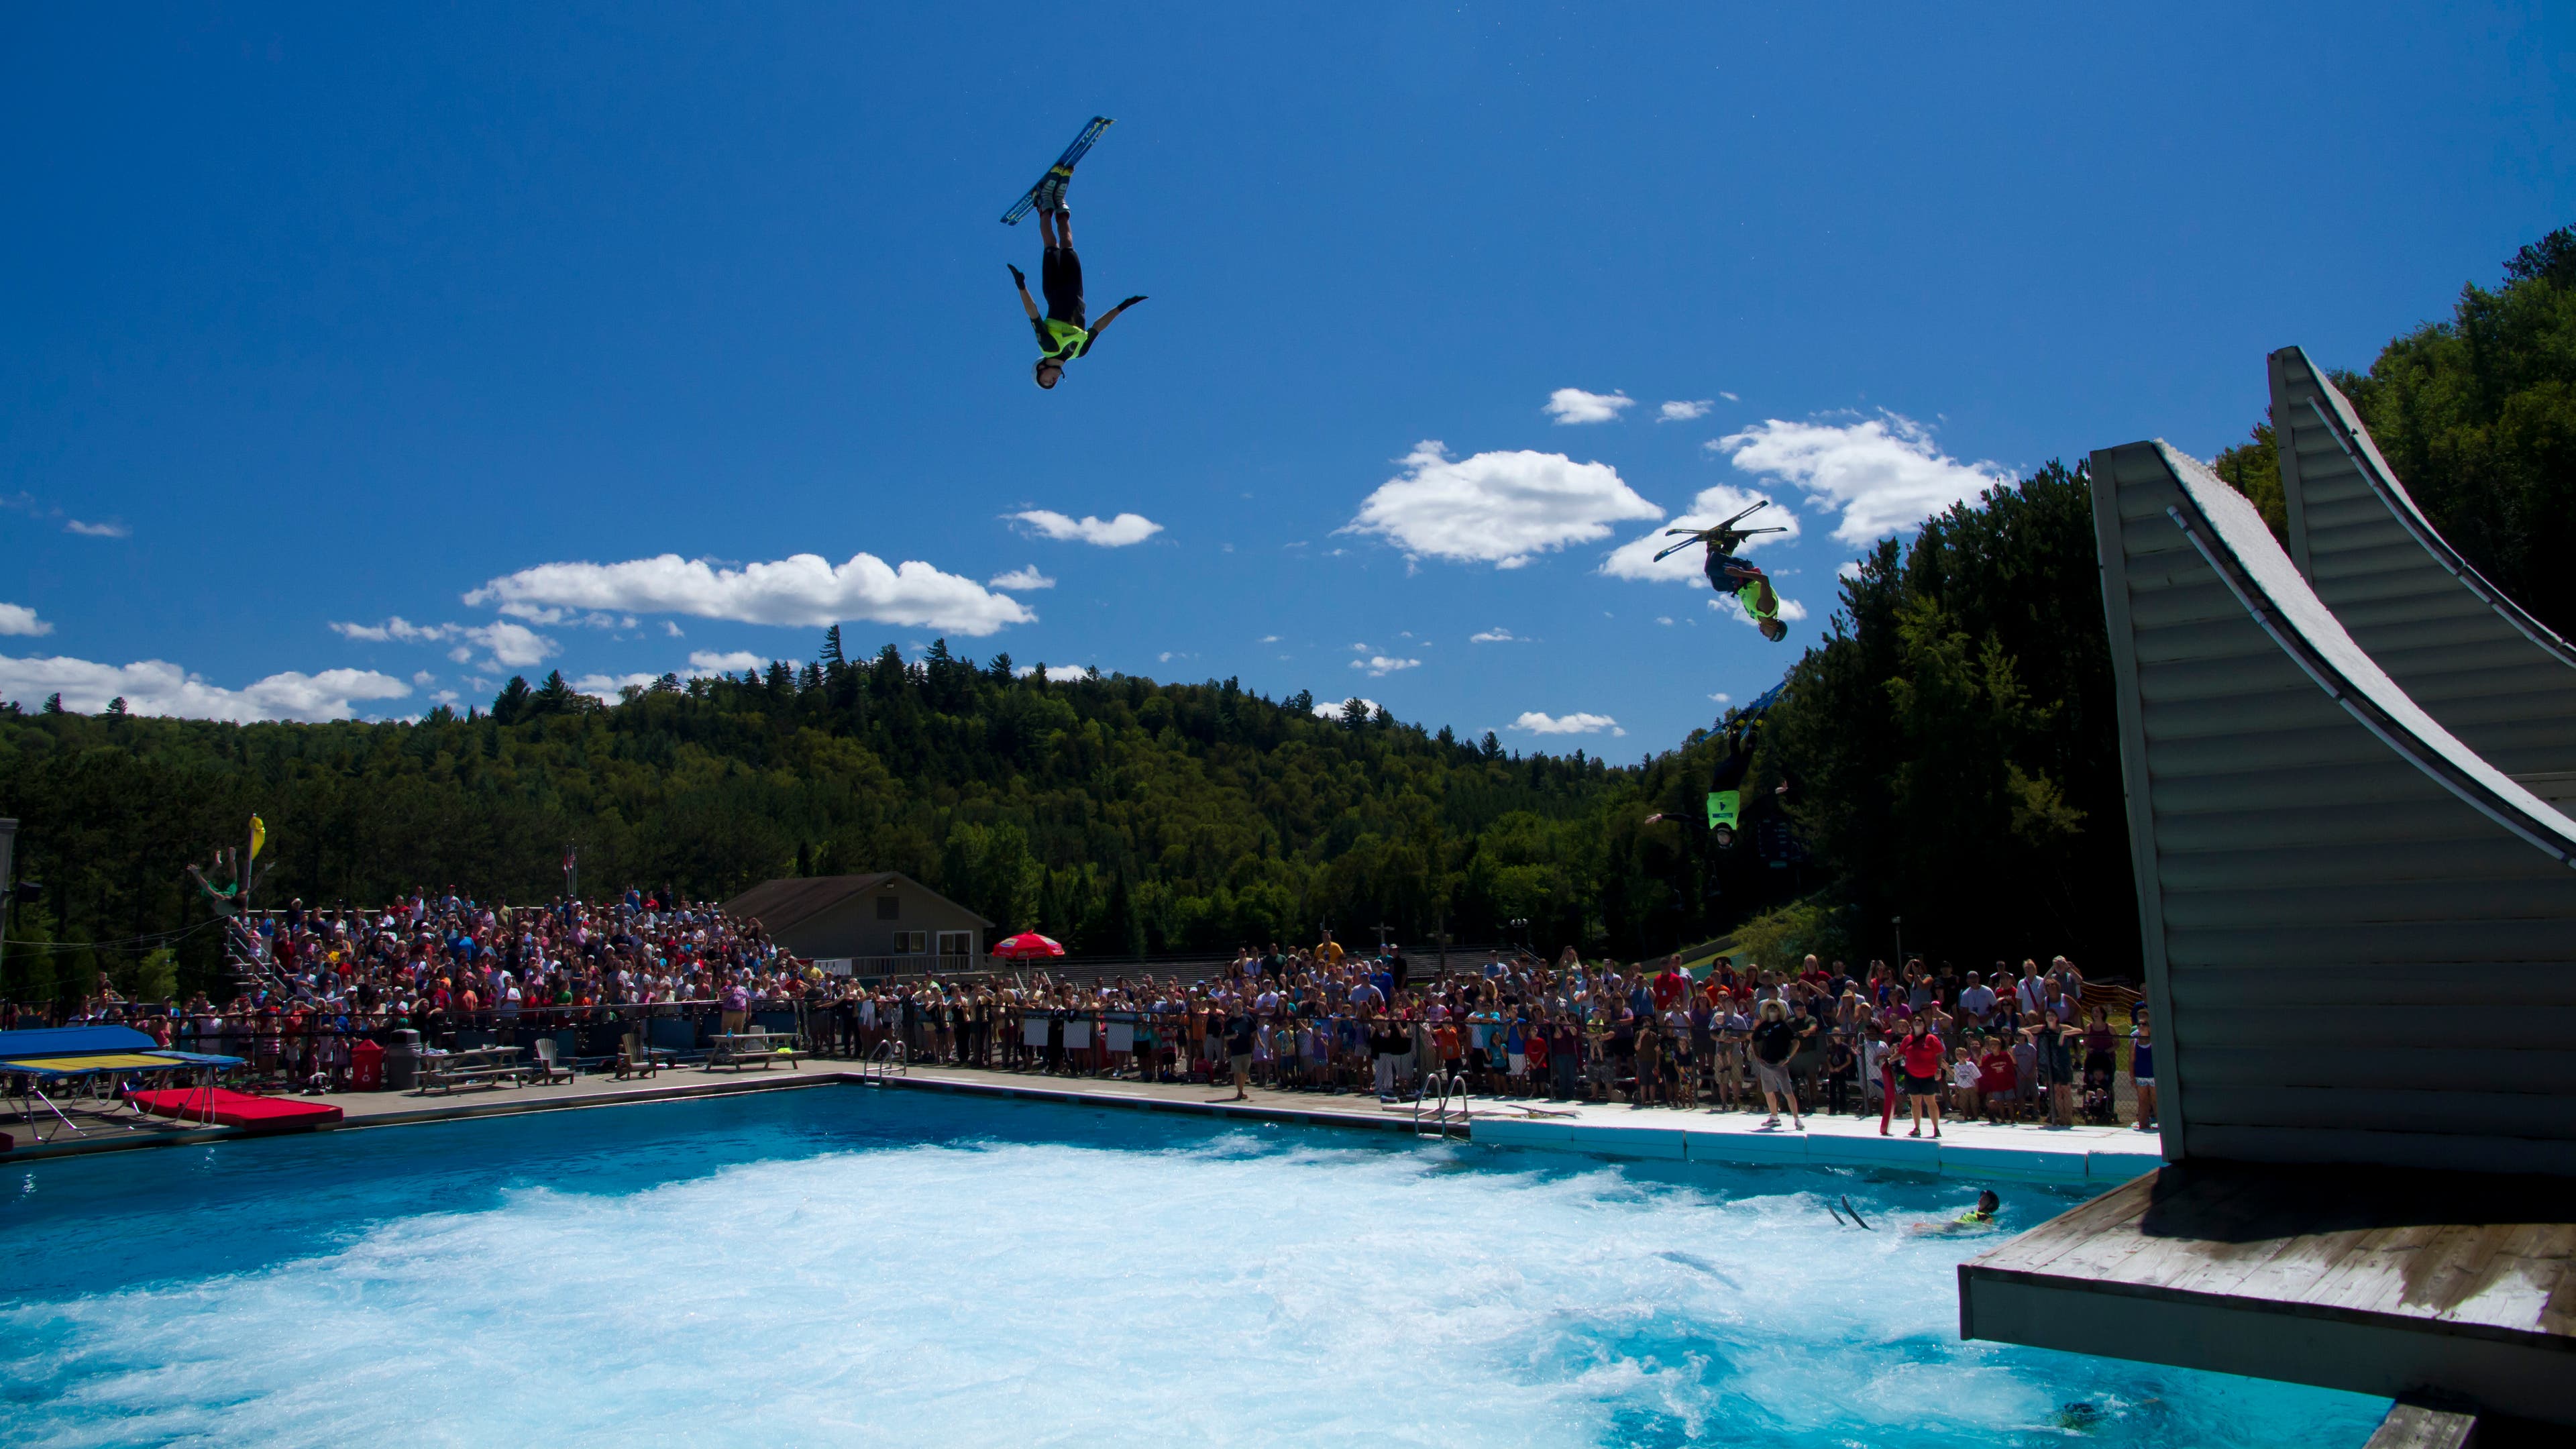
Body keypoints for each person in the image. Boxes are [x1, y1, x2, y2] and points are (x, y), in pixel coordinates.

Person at [1007, 195, 1145, 390]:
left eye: (1045, 380)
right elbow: (1098, 326)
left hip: (1053, 287)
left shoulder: (1048, 347)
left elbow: (1033, 314)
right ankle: (1061, 208)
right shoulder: (1079, 352)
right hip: (1075, 288)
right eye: (1051, 385)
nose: (1051, 382)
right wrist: (1123, 306)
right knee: (1068, 243)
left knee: (1051, 244)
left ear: (1041, 368)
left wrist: (1022, 287)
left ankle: (1044, 205)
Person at [1749, 998, 1815, 1129]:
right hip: (1766, 1063)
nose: (1772, 1009)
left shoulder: (1783, 1026)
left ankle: (1797, 1120)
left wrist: (1788, 1057)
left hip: (1780, 1064)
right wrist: (1757, 1056)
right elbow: (1753, 1040)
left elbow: (1796, 1042)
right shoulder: (1763, 1026)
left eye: (1775, 1007)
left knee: (1788, 1092)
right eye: (1770, 1007)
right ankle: (1774, 1117)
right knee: (1768, 1091)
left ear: (1779, 1011)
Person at [1897, 1014, 1946, 1138]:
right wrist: (1889, 1060)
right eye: (1915, 1021)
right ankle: (1917, 1128)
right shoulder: (1908, 1039)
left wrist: (1939, 1069)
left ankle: (1936, 1128)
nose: (1917, 1022)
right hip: (1912, 1075)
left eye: (1920, 1020)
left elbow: (1939, 1053)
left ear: (1924, 1024)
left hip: (1928, 1075)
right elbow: (1901, 1053)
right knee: (1915, 1102)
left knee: (1931, 1102)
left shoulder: (1931, 1038)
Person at [2130, 1008, 2157, 1132]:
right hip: (2141, 1075)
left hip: (2153, 1075)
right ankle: (2143, 1124)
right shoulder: (2135, 1041)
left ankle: (2161, 1125)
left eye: (2144, 1024)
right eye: (2139, 1024)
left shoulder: (2154, 1041)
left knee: (2155, 1101)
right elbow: (2132, 1060)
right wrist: (2132, 1076)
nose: (2141, 1026)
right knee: (2143, 1101)